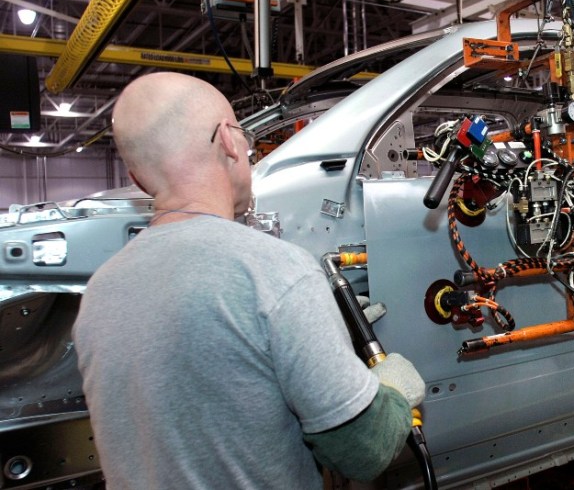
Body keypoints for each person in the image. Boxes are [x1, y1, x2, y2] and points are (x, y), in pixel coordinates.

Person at [72, 72, 425, 489]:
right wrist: (395, 393)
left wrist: (322, 338)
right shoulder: (274, 270)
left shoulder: (99, 292)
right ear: (226, 139)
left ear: (136, 178)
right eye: (244, 136)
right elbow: (363, 450)